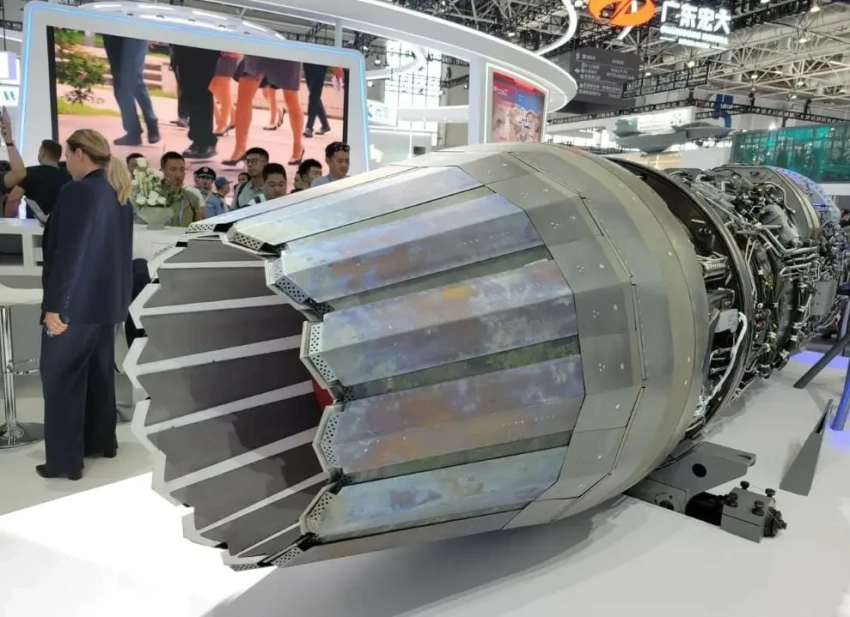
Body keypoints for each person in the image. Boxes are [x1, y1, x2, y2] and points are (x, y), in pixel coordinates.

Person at [38, 128, 135, 480]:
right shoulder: (117, 193)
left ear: (80, 153)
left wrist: (55, 305)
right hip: (105, 306)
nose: (66, 163)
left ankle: (64, 462)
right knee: (97, 376)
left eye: (68, 155)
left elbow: (70, 252)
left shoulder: (78, 191)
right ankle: (100, 442)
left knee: (60, 379)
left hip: (75, 306)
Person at [223, 58, 304, 166]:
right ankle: (240, 149)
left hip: (287, 53)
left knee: (291, 99)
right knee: (244, 94)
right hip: (260, 51)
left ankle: (298, 146)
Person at [101, 35, 160, 146]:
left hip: (135, 30)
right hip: (112, 31)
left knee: (133, 77)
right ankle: (133, 131)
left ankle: (151, 120)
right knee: (119, 82)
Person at [169, 45, 221, 159]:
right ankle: (197, 139)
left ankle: (206, 141)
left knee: (201, 90)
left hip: (205, 46)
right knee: (188, 91)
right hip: (185, 46)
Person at [3, 139, 71, 219]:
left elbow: (14, 199)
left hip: (33, 224)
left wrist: (9, 220)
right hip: (59, 224)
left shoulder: (28, 173)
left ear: (42, 153)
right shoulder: (68, 178)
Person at [160, 151, 204, 226]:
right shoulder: (150, 198)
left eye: (182, 170)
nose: (178, 175)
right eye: (173, 170)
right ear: (162, 171)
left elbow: (198, 229)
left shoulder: (192, 198)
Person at [209, 52, 239, 136]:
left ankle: (223, 123)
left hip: (227, 55)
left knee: (223, 85)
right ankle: (234, 114)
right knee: (211, 85)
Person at [302, 64, 332, 138]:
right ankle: (325, 125)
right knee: (314, 96)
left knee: (314, 96)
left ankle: (309, 127)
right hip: (308, 65)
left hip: (320, 66)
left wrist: (338, 67)